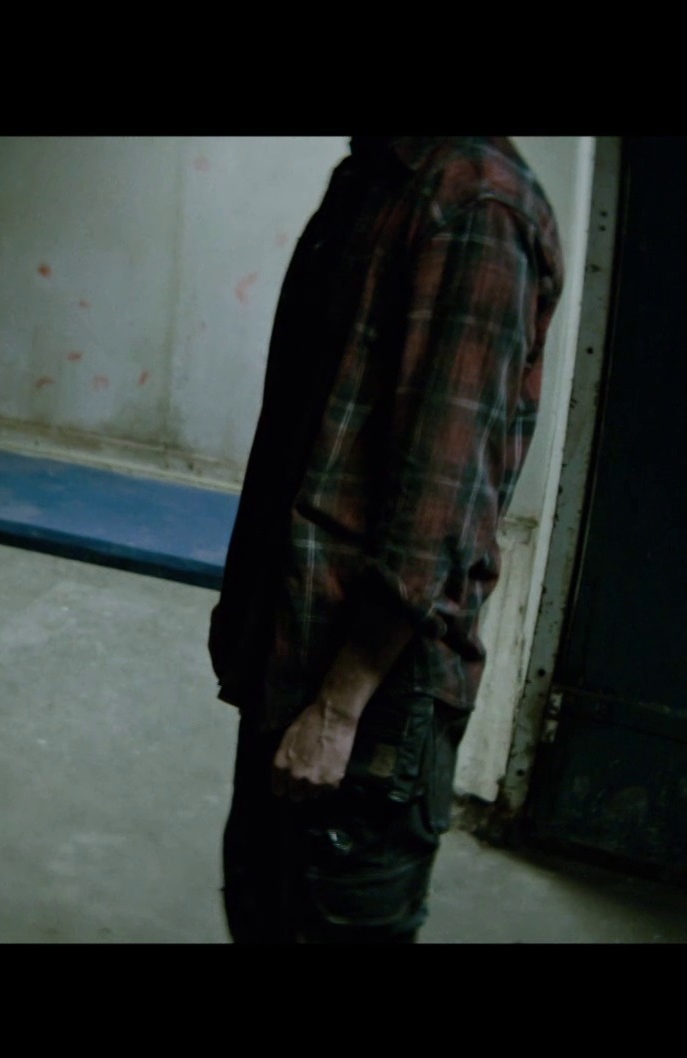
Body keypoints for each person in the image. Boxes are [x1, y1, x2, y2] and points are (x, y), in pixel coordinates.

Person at [209, 137, 564, 943]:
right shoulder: (375, 176)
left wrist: (339, 708)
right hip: (295, 645)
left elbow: (439, 497)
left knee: (333, 923)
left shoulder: (476, 207)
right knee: (262, 911)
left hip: (371, 692)